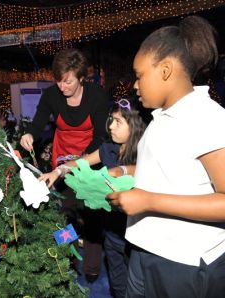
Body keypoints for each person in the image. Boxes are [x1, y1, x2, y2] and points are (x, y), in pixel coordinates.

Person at [107, 16, 225, 297]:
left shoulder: (206, 117)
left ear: (166, 70)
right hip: (145, 250)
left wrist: (148, 201)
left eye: (139, 75)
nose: (135, 85)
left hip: (183, 263)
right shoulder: (160, 119)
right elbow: (168, 170)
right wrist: (125, 172)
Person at [40, 98, 146, 297]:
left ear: (134, 127)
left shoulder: (146, 152)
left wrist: (122, 171)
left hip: (137, 235)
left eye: (118, 122)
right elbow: (82, 162)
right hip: (112, 232)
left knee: (139, 287)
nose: (111, 127)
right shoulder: (107, 149)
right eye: (111, 120)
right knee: (117, 283)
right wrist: (58, 171)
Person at [20, 48, 110, 281]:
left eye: (68, 81)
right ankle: (66, 259)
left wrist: (80, 161)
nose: (62, 86)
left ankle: (91, 266)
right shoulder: (51, 95)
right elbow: (39, 121)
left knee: (92, 214)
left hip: (91, 161)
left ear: (81, 77)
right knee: (63, 214)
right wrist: (29, 134)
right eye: (59, 81)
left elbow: (101, 136)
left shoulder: (97, 96)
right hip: (61, 160)